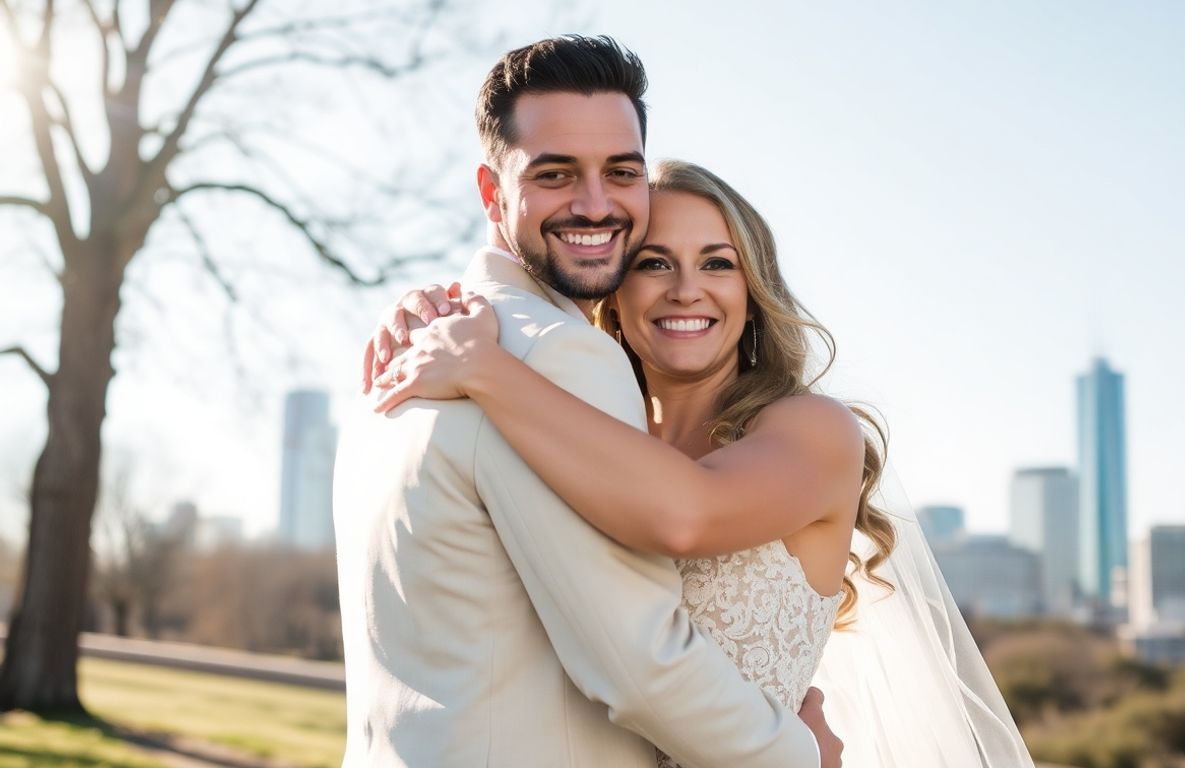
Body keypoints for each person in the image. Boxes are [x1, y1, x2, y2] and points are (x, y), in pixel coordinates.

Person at [365, 162, 1035, 766]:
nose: (687, 289)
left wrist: (485, 368)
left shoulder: (816, 431)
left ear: (752, 294)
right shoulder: (586, 429)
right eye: (655, 263)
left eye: (717, 264)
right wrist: (432, 308)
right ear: (615, 297)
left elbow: (686, 515)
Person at [333, 36, 837, 768]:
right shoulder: (542, 356)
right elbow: (640, 666)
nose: (596, 204)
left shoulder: (426, 349)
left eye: (621, 172)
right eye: (557, 173)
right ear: (491, 192)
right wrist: (803, 757)